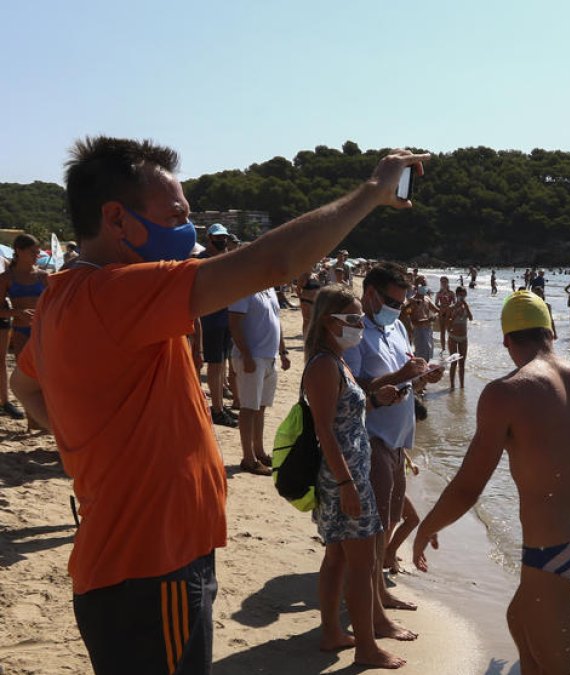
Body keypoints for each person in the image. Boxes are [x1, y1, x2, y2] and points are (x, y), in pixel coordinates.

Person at [11, 136, 426, 675]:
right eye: (176, 215)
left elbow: (26, 387)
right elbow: (275, 261)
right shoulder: (112, 293)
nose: (189, 230)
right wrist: (372, 190)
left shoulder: (64, 296)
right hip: (152, 565)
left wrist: (93, 445)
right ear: (116, 219)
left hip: (134, 559)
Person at [412, 291, 570, 674]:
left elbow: (468, 486)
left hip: (552, 551)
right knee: (519, 620)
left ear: (507, 340)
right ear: (552, 331)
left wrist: (427, 526)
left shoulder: (506, 392)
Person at [304, 286, 407, 669]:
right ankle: (367, 647)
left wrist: (377, 399)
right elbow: (325, 429)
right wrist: (347, 484)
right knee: (361, 567)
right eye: (351, 319)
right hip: (344, 477)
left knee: (336, 558)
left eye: (360, 318)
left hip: (347, 473)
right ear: (328, 321)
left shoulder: (336, 360)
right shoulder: (323, 365)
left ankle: (332, 632)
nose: (359, 325)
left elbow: (345, 417)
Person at [344, 263, 441, 618]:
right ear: (370, 294)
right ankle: (375, 597)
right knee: (378, 522)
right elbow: (349, 384)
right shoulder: (354, 331)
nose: (399, 309)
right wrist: (401, 374)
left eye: (402, 303)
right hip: (373, 437)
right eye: (393, 302)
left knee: (391, 517)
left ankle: (377, 588)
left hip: (399, 439)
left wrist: (423, 376)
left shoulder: (398, 326)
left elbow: (405, 376)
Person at [229, 284, 289, 475]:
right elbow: (234, 323)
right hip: (252, 357)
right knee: (248, 408)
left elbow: (277, 320)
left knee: (260, 407)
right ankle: (249, 458)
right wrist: (246, 354)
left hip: (269, 357)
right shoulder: (243, 288)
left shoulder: (269, 289)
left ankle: (259, 451)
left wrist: (283, 351)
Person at [198, 224, 238, 427]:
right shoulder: (201, 261)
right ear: (210, 238)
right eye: (218, 237)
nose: (222, 241)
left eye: (223, 237)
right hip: (210, 321)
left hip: (224, 318)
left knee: (221, 364)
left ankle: (220, 405)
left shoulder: (225, 259)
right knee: (214, 365)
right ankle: (217, 410)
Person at [0, 234, 51, 356]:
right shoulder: (6, 278)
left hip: (43, 329)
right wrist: (18, 312)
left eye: (38, 252)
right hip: (21, 330)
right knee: (23, 367)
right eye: (32, 252)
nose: (37, 256)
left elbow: (54, 305)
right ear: (19, 251)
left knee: (43, 367)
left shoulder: (43, 276)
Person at [446, 286, 473, 389]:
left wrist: (466, 306)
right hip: (453, 337)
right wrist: (454, 315)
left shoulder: (466, 306)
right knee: (454, 362)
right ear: (456, 295)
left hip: (463, 338)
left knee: (462, 363)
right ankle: (452, 385)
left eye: (464, 295)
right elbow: (448, 326)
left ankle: (462, 386)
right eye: (460, 295)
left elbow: (471, 318)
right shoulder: (451, 307)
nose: (462, 297)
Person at [406, 283, 437, 361]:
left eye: (425, 284)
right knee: (421, 356)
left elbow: (436, 310)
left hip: (428, 330)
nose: (424, 286)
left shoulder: (427, 299)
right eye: (421, 284)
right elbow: (412, 320)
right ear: (416, 286)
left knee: (428, 354)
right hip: (419, 330)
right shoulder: (411, 301)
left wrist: (435, 315)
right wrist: (428, 320)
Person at [434, 276, 455, 352]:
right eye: (442, 282)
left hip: (449, 313)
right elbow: (436, 303)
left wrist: (449, 307)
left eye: (445, 282)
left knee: (450, 331)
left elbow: (455, 303)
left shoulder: (451, 293)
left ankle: (450, 347)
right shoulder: (439, 293)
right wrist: (441, 308)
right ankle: (443, 348)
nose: (443, 283)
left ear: (448, 282)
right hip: (442, 313)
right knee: (442, 331)